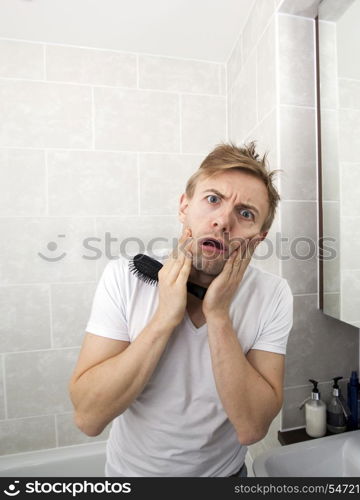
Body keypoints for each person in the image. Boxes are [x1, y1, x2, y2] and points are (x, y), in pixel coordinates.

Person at [69, 141, 293, 477]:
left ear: (258, 239)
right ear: (184, 207)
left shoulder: (273, 294)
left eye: (245, 213)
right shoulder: (124, 277)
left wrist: (218, 316)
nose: (222, 221)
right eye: (213, 199)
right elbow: (89, 418)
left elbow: (252, 428)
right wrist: (164, 319)